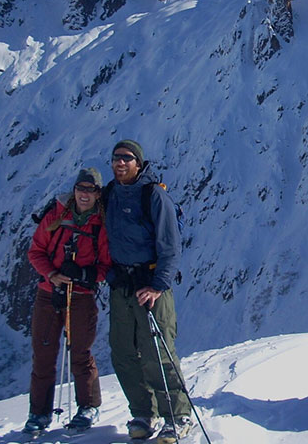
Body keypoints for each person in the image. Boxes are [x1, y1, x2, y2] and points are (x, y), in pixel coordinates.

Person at [104, 139, 192, 444]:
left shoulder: (153, 195)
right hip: (122, 287)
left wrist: (157, 287)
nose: (120, 163)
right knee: (123, 353)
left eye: (127, 158)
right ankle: (143, 413)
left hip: (150, 286)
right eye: (116, 158)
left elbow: (170, 245)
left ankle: (177, 415)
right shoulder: (110, 195)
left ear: (139, 164)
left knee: (158, 353)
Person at [25, 168, 111, 436]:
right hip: (49, 292)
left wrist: (85, 275)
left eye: (90, 190)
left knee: (80, 353)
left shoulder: (102, 224)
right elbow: (36, 250)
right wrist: (52, 274)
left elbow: (107, 266)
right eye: (80, 188)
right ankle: (39, 412)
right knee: (44, 354)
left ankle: (88, 406)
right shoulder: (57, 214)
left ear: (98, 194)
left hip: (81, 296)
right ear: (74, 190)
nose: (84, 194)